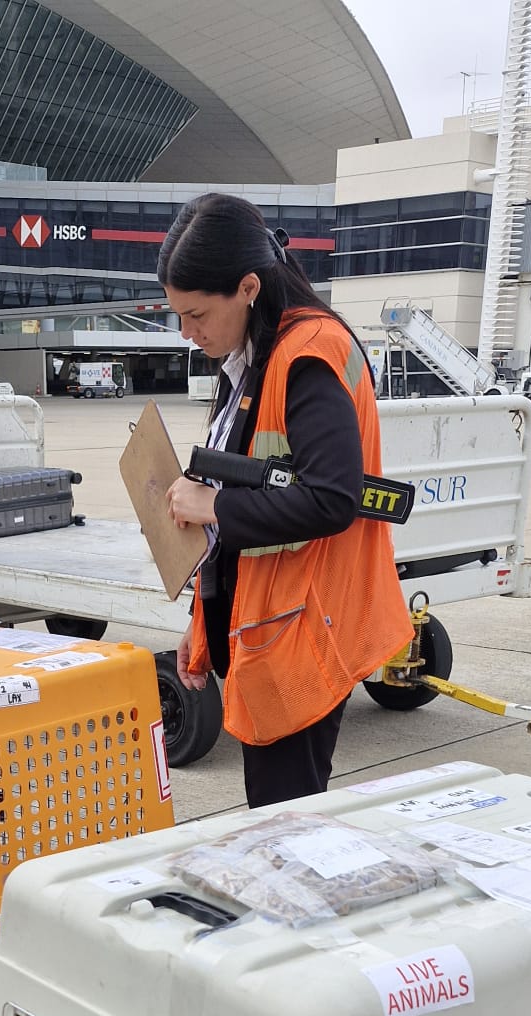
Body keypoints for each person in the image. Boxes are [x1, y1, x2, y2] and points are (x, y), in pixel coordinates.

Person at [161, 193, 412, 807]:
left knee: (287, 828)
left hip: (305, 634)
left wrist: (210, 508)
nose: (189, 335)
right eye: (178, 317)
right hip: (268, 632)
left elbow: (330, 499)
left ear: (248, 287)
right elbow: (241, 486)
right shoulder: (250, 355)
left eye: (196, 316)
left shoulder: (308, 353)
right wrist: (203, 626)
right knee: (276, 823)